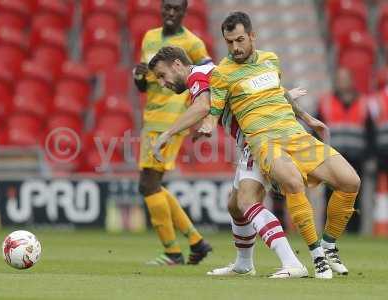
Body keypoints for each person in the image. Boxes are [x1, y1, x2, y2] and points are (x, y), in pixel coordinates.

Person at [152, 12, 361, 279]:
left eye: (162, 75)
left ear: (178, 64)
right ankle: (244, 263)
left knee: (248, 200)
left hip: (258, 140)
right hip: (257, 140)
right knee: (235, 206)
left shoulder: (199, 77)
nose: (163, 83)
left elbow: (205, 105)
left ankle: (293, 262)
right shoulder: (218, 71)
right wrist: (302, 113)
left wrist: (166, 134)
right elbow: (258, 92)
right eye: (230, 42)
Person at [133, 0, 212, 266]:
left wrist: (206, 116)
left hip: (172, 120)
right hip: (151, 117)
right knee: (152, 184)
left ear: (184, 12)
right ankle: (196, 242)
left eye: (176, 9)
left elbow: (208, 78)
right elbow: (144, 87)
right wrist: (139, 75)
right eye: (167, 7)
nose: (170, 12)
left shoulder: (193, 43)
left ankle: (174, 252)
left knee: (148, 184)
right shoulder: (150, 37)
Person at [317, 67, 373, 232]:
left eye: (345, 78)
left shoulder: (364, 103)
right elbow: (316, 130)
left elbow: (371, 132)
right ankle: (330, 232)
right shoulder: (325, 102)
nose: (342, 82)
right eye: (339, 78)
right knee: (330, 196)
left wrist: (370, 156)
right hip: (332, 158)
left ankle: (354, 231)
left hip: (356, 158)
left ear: (351, 81)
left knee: (355, 197)